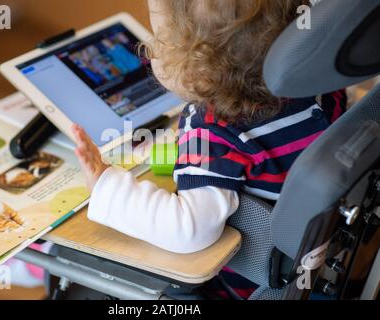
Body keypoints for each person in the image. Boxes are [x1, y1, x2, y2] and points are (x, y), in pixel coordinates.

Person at [71, 0, 347, 298]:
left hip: (256, 286)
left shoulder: (211, 131)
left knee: (156, 283)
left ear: (199, 70)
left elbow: (188, 229)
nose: (148, 50)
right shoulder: (321, 86)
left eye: (159, 38)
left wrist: (105, 184)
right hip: (331, 264)